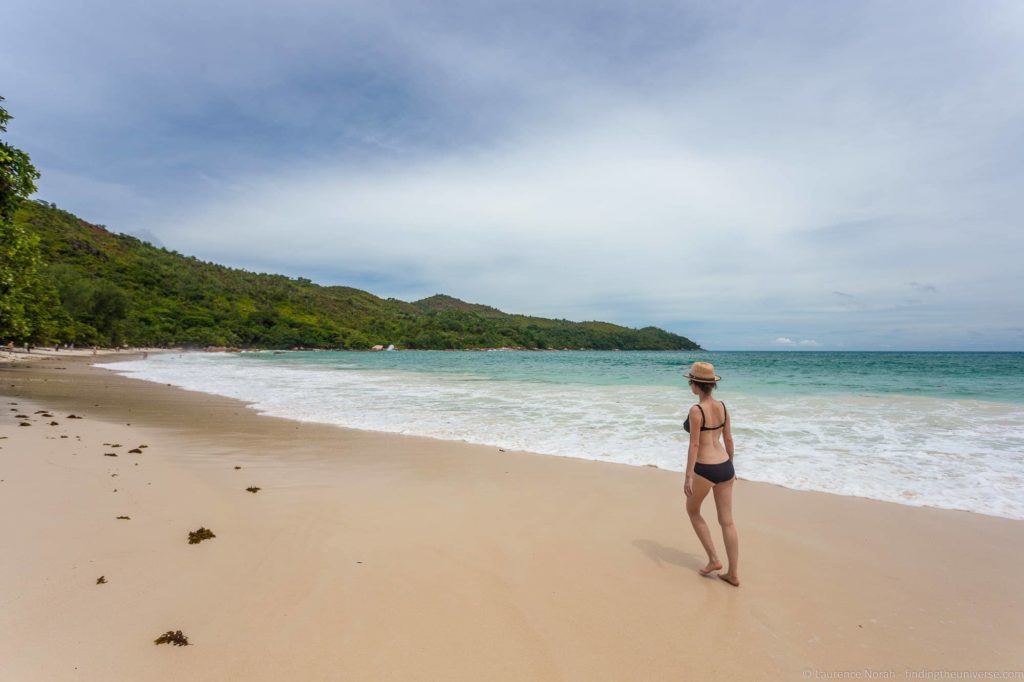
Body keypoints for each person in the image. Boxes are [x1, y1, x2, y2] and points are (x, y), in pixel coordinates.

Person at [682, 361, 740, 586]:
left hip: (705, 468)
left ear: (696, 385)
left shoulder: (696, 410)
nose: (690, 386)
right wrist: (731, 466)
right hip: (725, 465)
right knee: (727, 522)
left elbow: (694, 445)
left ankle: (715, 560)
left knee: (693, 511)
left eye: (690, 383)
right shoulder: (723, 407)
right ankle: (733, 574)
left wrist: (688, 475)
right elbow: (728, 439)